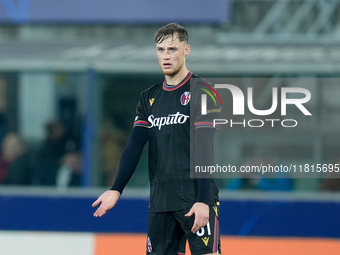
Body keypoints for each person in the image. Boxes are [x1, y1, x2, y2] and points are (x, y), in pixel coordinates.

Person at [92, 23, 221, 255]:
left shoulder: (203, 91)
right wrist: (116, 189)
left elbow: (204, 148)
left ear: (186, 50)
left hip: (195, 198)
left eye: (172, 49)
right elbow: (134, 146)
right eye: (160, 50)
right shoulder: (148, 97)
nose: (166, 56)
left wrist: (204, 200)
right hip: (161, 201)